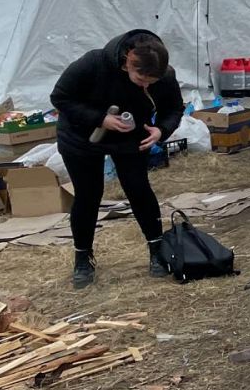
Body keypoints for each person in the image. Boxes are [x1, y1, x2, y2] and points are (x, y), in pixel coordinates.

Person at [50, 30, 185, 289]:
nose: (146, 86)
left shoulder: (164, 75)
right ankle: (82, 258)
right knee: (88, 194)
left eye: (151, 82)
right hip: (82, 134)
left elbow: (174, 108)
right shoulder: (93, 63)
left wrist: (161, 130)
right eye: (141, 79)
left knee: (138, 188)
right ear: (126, 62)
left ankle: (157, 251)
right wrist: (100, 118)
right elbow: (60, 97)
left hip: (130, 137)